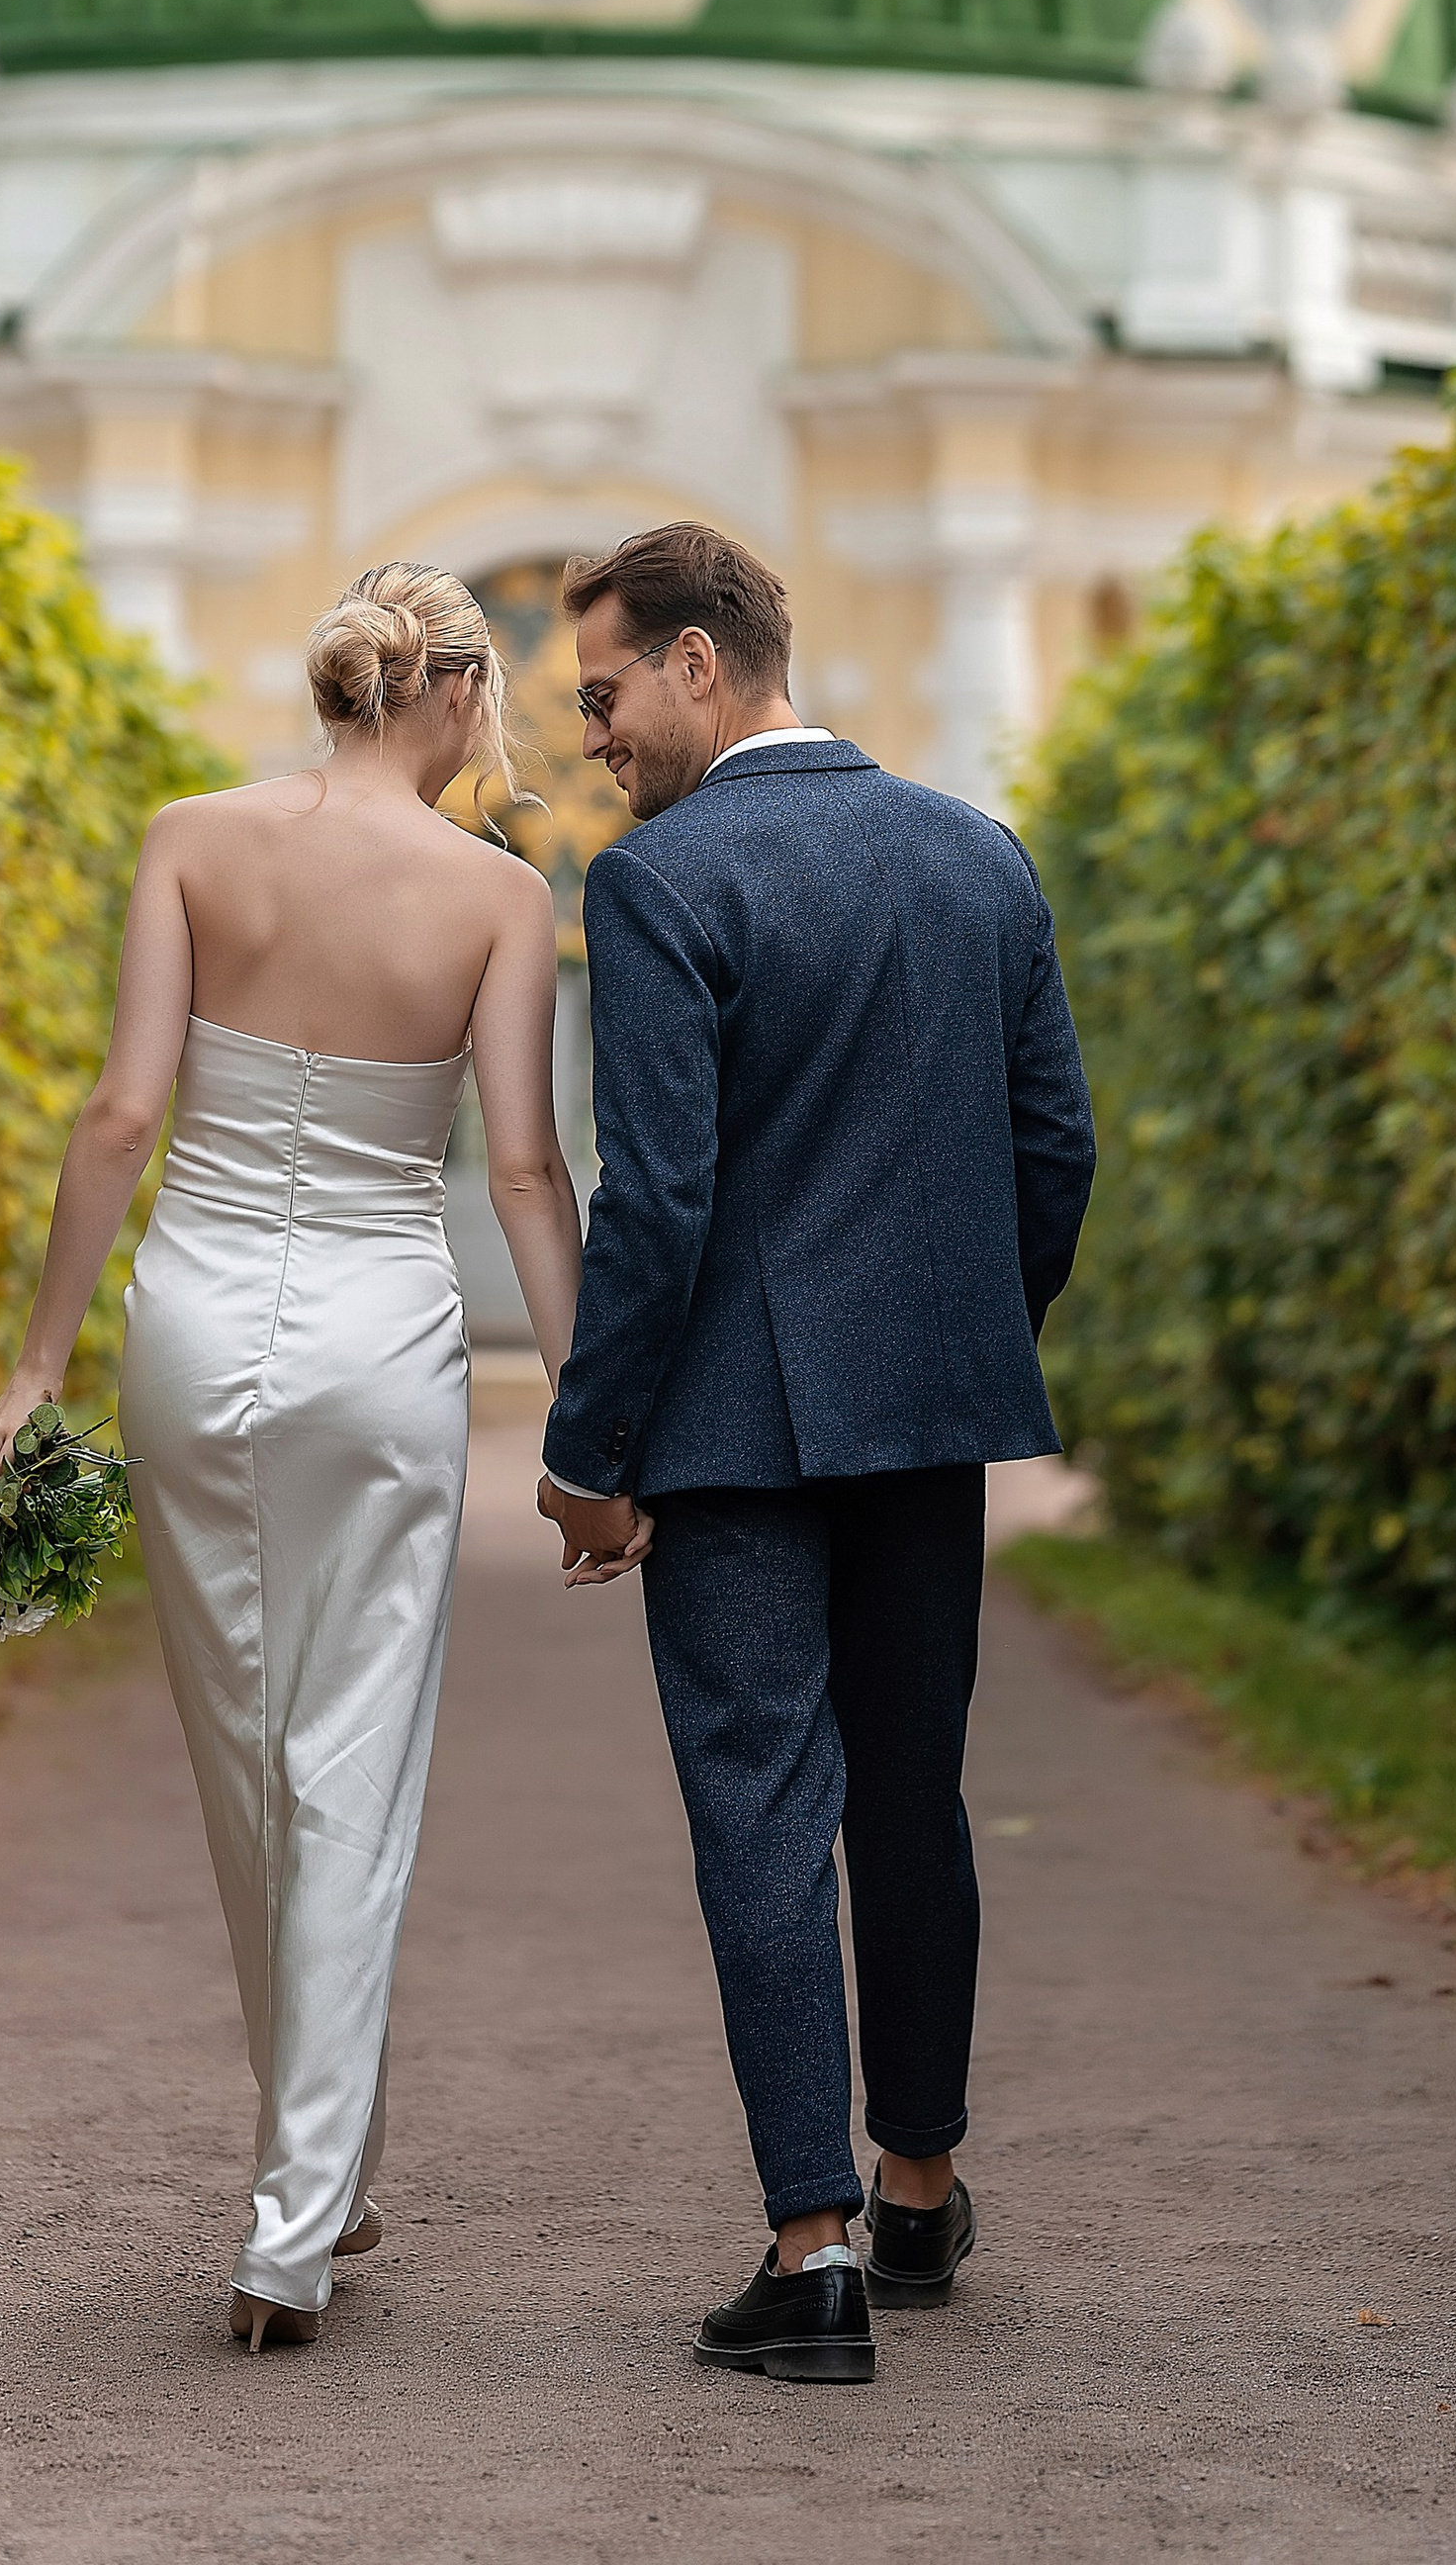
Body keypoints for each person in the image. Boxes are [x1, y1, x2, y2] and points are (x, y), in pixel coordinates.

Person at [0, 564, 592, 2352]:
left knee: (247, 1749)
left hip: (192, 1326)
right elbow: (529, 1177)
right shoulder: (493, 893)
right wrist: (589, 1411)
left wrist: (35, 1364)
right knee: (353, 1767)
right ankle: (294, 2221)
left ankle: (313, 2175)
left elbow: (121, 1116)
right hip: (377, 1345)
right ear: (464, 693)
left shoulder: (190, 837)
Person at [537, 520, 1095, 2387]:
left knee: (764, 1805)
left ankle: (815, 2251)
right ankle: (919, 2186)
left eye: (606, 692)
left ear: (703, 661)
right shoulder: (978, 855)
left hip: (734, 1435)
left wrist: (593, 1446)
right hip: (927, 1420)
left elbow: (663, 1200)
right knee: (913, 1791)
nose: (596, 736)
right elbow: (1054, 1155)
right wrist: (951, 1350)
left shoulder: (662, 884)